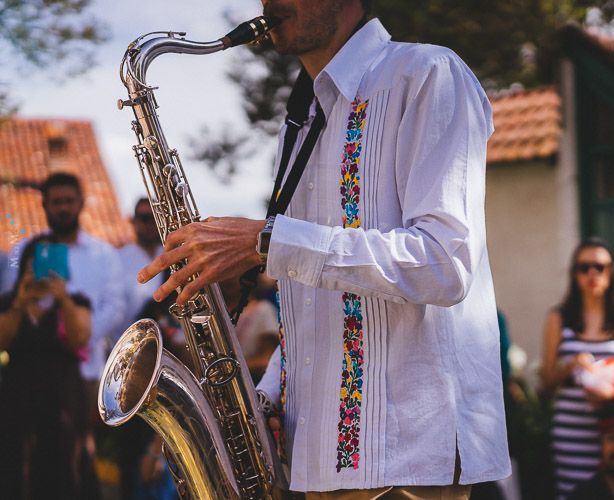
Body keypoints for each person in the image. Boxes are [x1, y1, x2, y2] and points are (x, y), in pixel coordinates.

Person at [137, 0, 510, 497]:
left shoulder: (426, 74)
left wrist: (264, 241)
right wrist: (264, 399)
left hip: (410, 460)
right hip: (318, 462)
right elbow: (314, 305)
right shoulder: (302, 121)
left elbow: (444, 263)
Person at [540, 237, 614, 499]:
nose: (593, 273)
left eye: (600, 267)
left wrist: (613, 391)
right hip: (572, 431)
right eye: (584, 267)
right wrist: (570, 366)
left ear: (611, 272)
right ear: (574, 273)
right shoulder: (559, 317)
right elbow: (545, 384)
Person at [2, 172, 125, 409]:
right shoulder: (21, 252)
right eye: (56, 202)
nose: (64, 208)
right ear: (45, 205)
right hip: (27, 372)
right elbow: (7, 301)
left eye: (69, 201)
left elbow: (115, 308)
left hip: (85, 371)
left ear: (80, 203)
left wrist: (77, 338)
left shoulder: (104, 255)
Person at [0, 235, 101, 499]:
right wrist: (20, 303)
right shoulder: (9, 301)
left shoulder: (76, 301)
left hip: (63, 398)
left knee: (64, 466)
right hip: (18, 398)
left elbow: (80, 337)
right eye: (36, 262)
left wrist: (63, 299)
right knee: (18, 466)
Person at [117, 197, 164, 337]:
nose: (150, 224)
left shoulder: (171, 255)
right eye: (144, 218)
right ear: (133, 220)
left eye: (154, 218)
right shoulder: (119, 258)